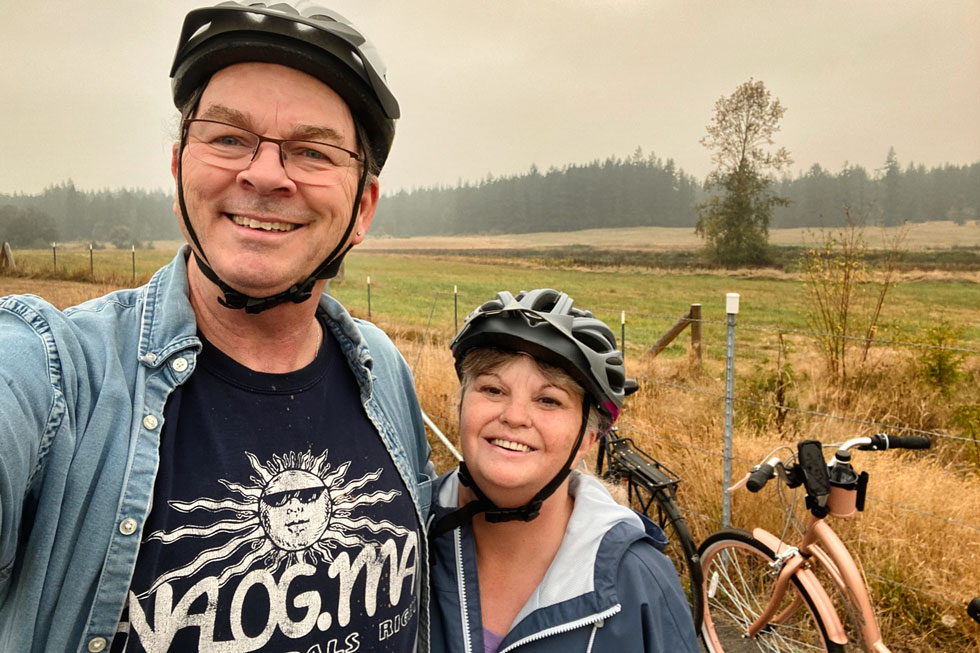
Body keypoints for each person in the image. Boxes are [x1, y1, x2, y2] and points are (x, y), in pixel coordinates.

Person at [0, 3, 434, 651]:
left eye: (311, 151)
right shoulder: (56, 375)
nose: (263, 173)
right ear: (179, 169)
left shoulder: (381, 369)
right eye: (228, 137)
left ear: (363, 207)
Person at [427, 289, 699, 653]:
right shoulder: (402, 535)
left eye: (548, 400)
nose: (514, 417)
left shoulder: (639, 581)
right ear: (460, 406)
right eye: (492, 389)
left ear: (588, 439)